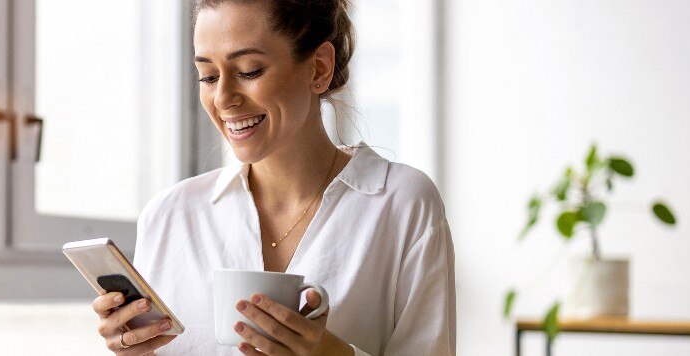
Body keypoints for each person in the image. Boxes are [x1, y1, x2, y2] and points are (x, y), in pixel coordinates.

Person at [89, 0, 456, 355]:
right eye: (208, 76)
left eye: (249, 70)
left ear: (319, 69)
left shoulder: (401, 203)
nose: (223, 98)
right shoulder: (169, 216)